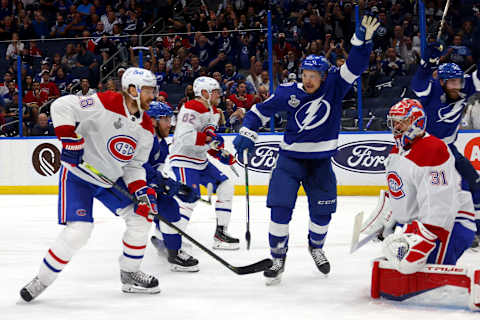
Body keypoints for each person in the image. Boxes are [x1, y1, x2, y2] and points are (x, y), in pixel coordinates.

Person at [233, 15, 380, 285]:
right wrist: (247, 130)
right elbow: (258, 112)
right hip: (289, 161)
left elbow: (355, 65)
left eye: (313, 76)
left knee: (322, 212)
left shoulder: (335, 86)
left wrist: (361, 41)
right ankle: (278, 257)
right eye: (305, 74)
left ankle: (316, 247)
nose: (308, 80)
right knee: (279, 209)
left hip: (321, 163)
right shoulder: (289, 92)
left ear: (324, 77)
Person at [19, 67, 160, 302]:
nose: (153, 96)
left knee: (141, 218)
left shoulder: (146, 129)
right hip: (79, 175)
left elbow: (135, 166)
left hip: (110, 180)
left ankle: (130, 273)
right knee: (79, 233)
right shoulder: (105, 101)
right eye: (148, 91)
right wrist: (69, 140)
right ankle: (41, 280)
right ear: (132, 90)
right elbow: (61, 105)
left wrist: (141, 191)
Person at [374, 98, 475, 275]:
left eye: (401, 122)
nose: (396, 128)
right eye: (394, 122)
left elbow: (441, 199)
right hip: (421, 225)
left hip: (448, 227)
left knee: (430, 281)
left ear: (417, 123)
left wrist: (426, 237)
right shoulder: (398, 150)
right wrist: (389, 218)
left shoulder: (433, 150)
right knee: (405, 270)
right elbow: (400, 189)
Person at [411, 44, 480, 238]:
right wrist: (428, 63)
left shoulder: (464, 87)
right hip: (427, 151)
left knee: (474, 183)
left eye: (458, 82)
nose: (456, 86)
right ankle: (398, 223)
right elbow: (418, 84)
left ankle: (475, 228)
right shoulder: (431, 91)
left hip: (449, 148)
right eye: (451, 83)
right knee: (431, 193)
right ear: (440, 82)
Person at [169, 76, 240, 252]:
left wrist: (218, 153)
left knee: (225, 186)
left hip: (200, 161)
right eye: (216, 92)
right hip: (184, 159)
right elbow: (186, 138)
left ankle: (221, 234)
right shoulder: (192, 107)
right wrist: (210, 139)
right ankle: (170, 239)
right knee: (189, 198)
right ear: (204, 93)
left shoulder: (215, 112)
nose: (220, 95)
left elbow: (207, 141)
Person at [145, 101, 200, 272]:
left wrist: (176, 186)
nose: (171, 124)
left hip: (145, 183)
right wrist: (163, 184)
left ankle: (171, 250)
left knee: (170, 207)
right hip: (128, 186)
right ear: (153, 121)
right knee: (143, 219)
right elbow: (137, 165)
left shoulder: (161, 142)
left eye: (171, 119)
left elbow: (158, 169)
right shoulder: (145, 138)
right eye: (166, 120)